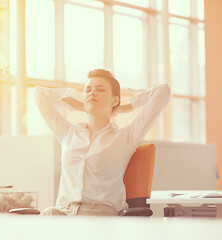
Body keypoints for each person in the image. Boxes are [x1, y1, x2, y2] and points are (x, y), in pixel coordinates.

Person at [35, 69, 170, 216]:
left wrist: (123, 108)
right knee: (49, 214)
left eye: (101, 90)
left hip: (99, 214)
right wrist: (81, 106)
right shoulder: (69, 134)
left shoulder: (125, 137)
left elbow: (163, 92)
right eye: (88, 90)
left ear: (115, 100)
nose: (92, 93)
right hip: (63, 212)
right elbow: (39, 94)